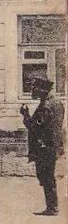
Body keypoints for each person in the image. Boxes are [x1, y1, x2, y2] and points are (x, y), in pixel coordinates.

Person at [22, 74, 63, 216]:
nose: (32, 91)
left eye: (35, 88)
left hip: (44, 147)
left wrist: (25, 115)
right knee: (47, 177)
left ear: (42, 89)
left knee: (46, 177)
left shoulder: (46, 105)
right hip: (52, 145)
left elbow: (35, 127)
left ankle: (52, 207)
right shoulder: (56, 102)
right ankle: (52, 207)